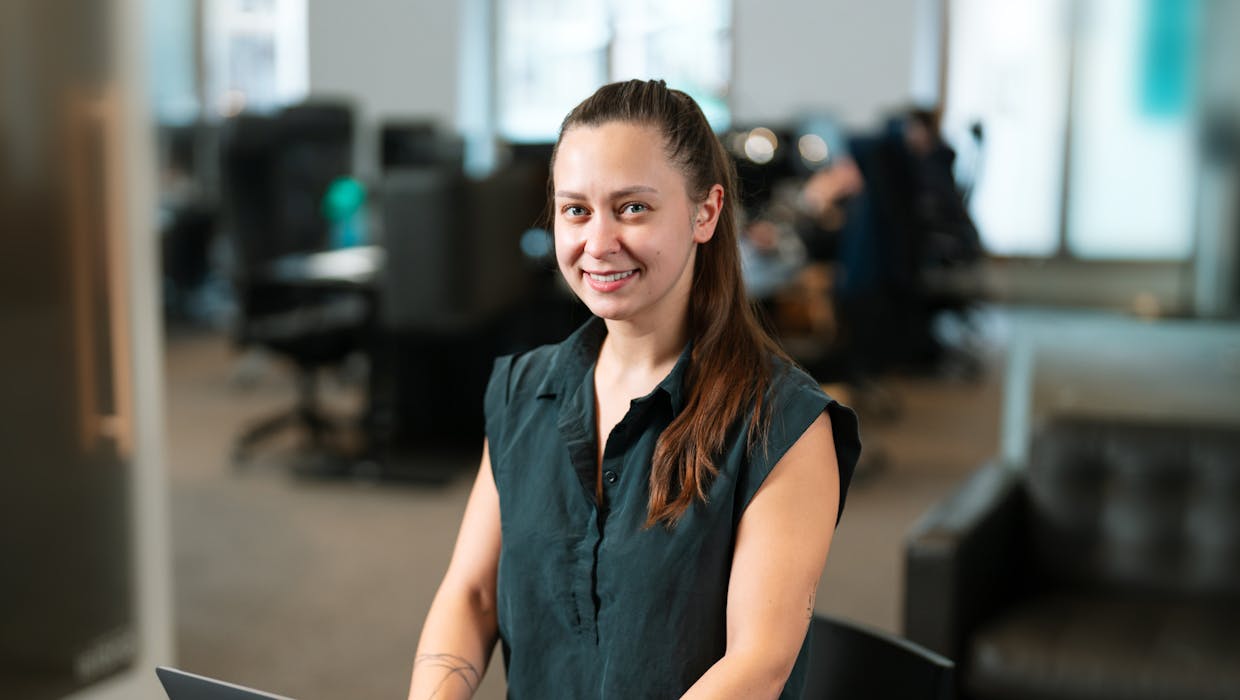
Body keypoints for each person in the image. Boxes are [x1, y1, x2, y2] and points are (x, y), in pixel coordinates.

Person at [407, 79, 861, 700]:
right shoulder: (522, 391)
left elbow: (758, 664)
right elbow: (473, 593)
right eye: (576, 209)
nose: (597, 243)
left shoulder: (783, 423)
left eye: (632, 208)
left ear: (706, 212)